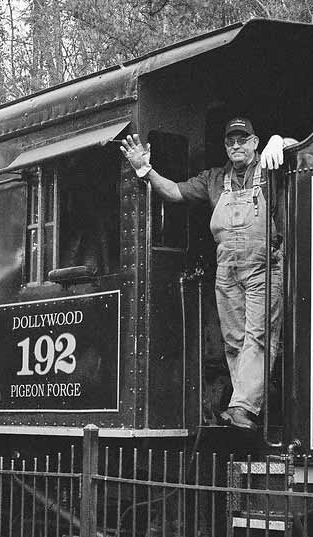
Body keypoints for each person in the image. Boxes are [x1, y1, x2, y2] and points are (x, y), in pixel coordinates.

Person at [120, 118, 297, 431]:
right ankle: (248, 400)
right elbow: (174, 192)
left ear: (255, 142)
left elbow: (304, 152)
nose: (236, 146)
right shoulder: (215, 178)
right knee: (233, 342)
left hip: (263, 266)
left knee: (258, 337)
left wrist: (280, 140)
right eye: (231, 141)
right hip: (227, 267)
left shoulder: (270, 166)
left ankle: (242, 407)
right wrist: (144, 170)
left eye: (243, 140)